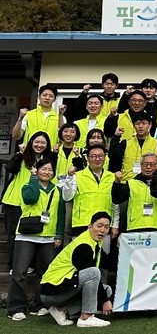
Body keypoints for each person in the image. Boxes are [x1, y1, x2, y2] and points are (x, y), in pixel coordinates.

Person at [6, 157, 65, 321]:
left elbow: (61, 214)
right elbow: (30, 198)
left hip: (48, 238)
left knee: (44, 274)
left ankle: (40, 305)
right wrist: (32, 177)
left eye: (50, 169)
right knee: (20, 272)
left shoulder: (57, 190)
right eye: (43, 169)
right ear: (37, 170)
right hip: (26, 236)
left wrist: (59, 235)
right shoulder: (27, 186)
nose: (47, 172)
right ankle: (16, 308)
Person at [40, 211, 113, 327]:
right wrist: (105, 300)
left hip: (63, 287)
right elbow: (91, 274)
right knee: (94, 272)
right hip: (51, 291)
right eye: (99, 226)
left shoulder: (95, 243)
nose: (103, 230)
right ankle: (86, 317)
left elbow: (109, 263)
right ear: (90, 226)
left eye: (106, 227)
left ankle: (60, 310)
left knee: (106, 290)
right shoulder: (83, 245)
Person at [2, 131, 55, 273]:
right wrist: (20, 154)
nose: (39, 145)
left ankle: (31, 265)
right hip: (15, 200)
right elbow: (10, 168)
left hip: (36, 202)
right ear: (31, 142)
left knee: (33, 232)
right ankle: (13, 265)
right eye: (37, 142)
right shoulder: (22, 155)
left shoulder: (48, 159)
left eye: (43, 143)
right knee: (13, 234)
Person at [111, 153, 157, 232]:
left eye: (152, 164)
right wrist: (117, 182)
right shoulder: (131, 183)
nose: (148, 167)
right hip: (135, 227)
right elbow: (117, 199)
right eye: (145, 164)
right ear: (140, 166)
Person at [108, 111, 157, 180]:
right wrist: (116, 136)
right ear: (133, 126)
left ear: (150, 125)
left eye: (144, 123)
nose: (140, 126)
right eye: (137, 123)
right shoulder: (126, 143)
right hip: (128, 181)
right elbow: (113, 156)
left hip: (150, 181)